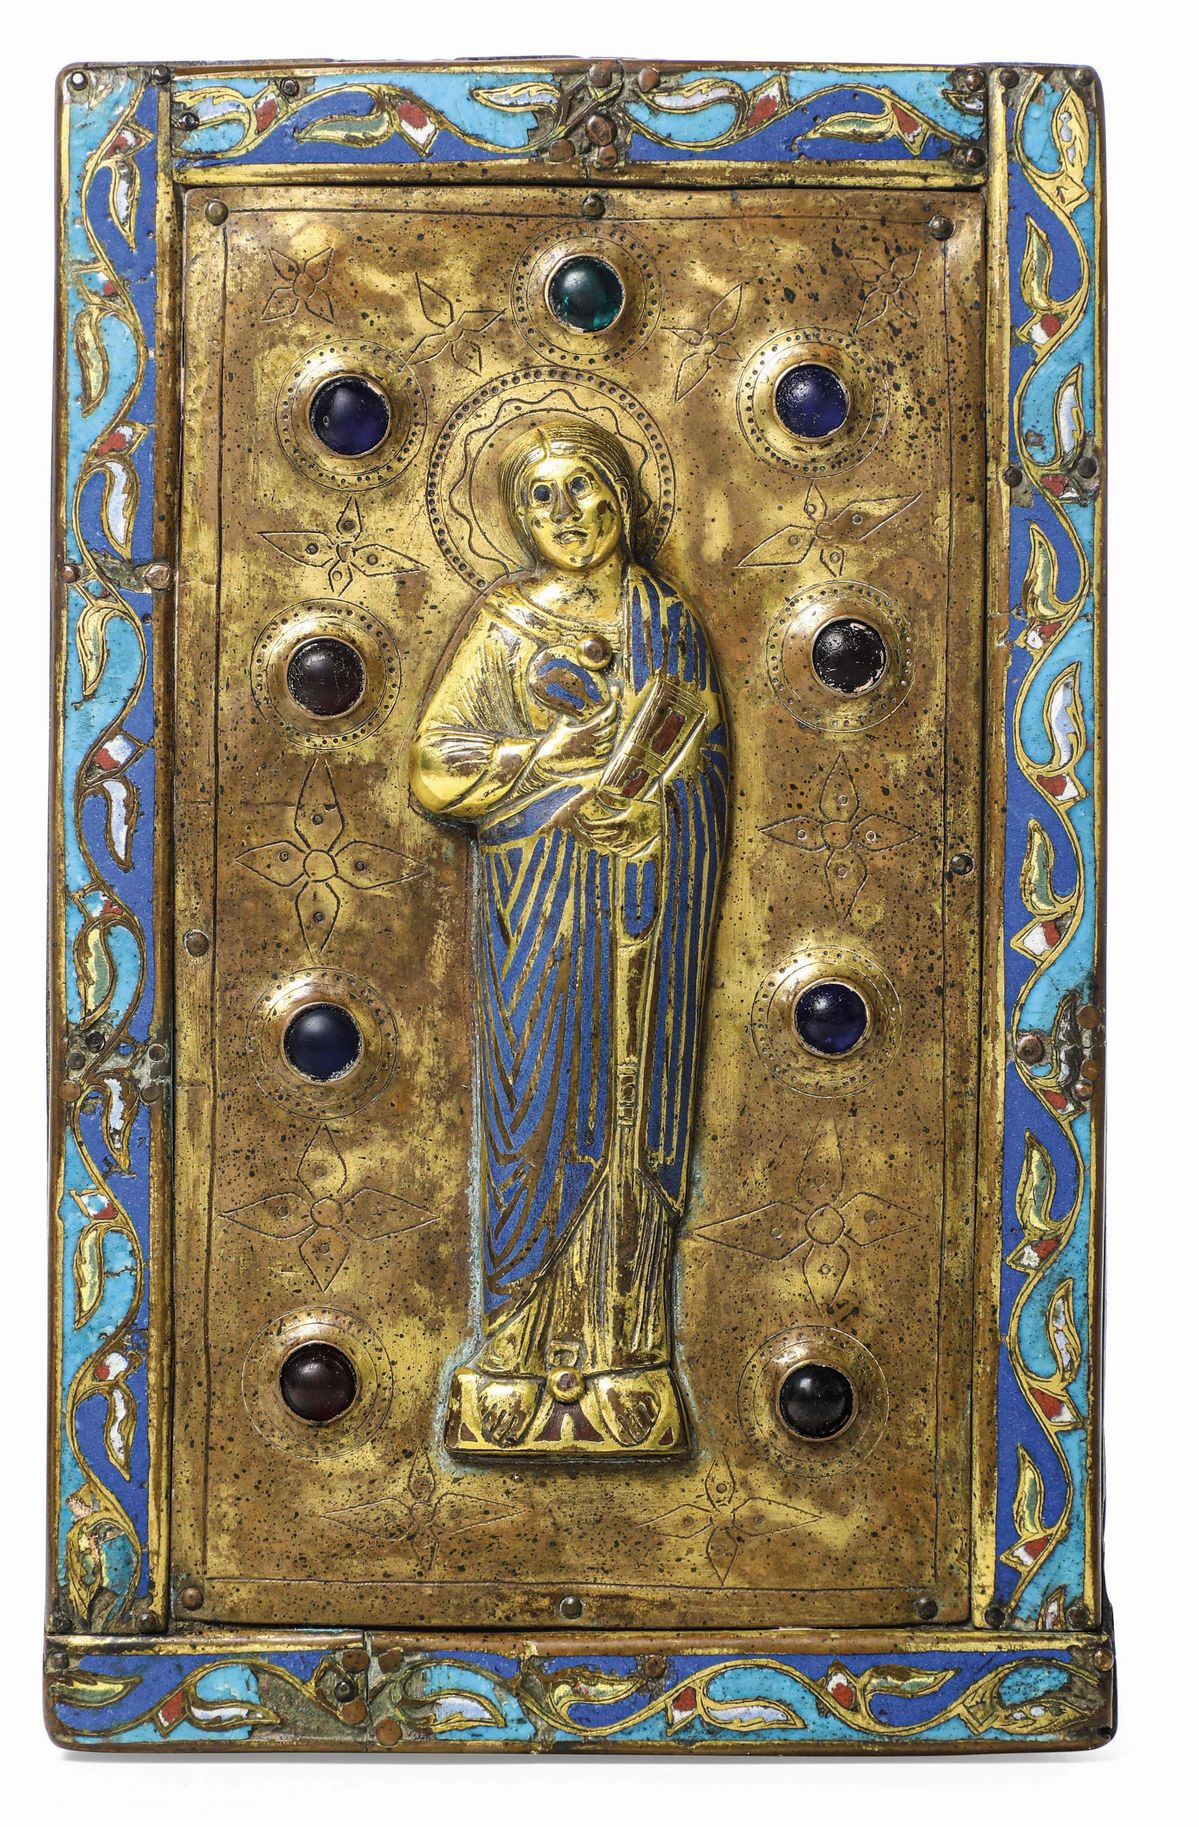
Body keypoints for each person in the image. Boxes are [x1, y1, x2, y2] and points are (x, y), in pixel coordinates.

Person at [410, 417, 728, 1455]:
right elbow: (433, 771)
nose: (568, 514)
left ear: (621, 495)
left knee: (630, 1118)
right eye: (541, 498)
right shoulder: (502, 623)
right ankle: (508, 1356)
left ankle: (629, 1359)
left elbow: (704, 767)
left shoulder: (665, 620)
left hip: (643, 920)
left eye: (584, 488)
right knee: (535, 1120)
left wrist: (656, 815)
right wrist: (547, 759)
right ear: (515, 517)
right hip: (538, 912)